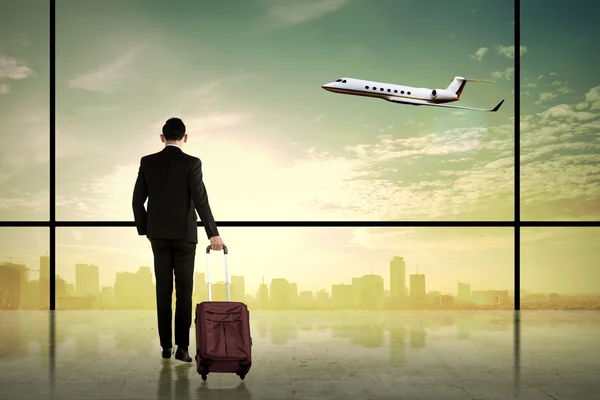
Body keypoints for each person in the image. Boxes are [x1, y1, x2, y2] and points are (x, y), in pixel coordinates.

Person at [132, 117, 225, 363]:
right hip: (185, 237)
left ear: (162, 137)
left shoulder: (148, 162)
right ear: (185, 137)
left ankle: (165, 347)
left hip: (158, 236)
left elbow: (136, 201)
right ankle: (182, 348)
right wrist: (212, 233)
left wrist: (146, 228)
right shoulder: (192, 163)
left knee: (163, 291)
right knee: (184, 292)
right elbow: (201, 199)